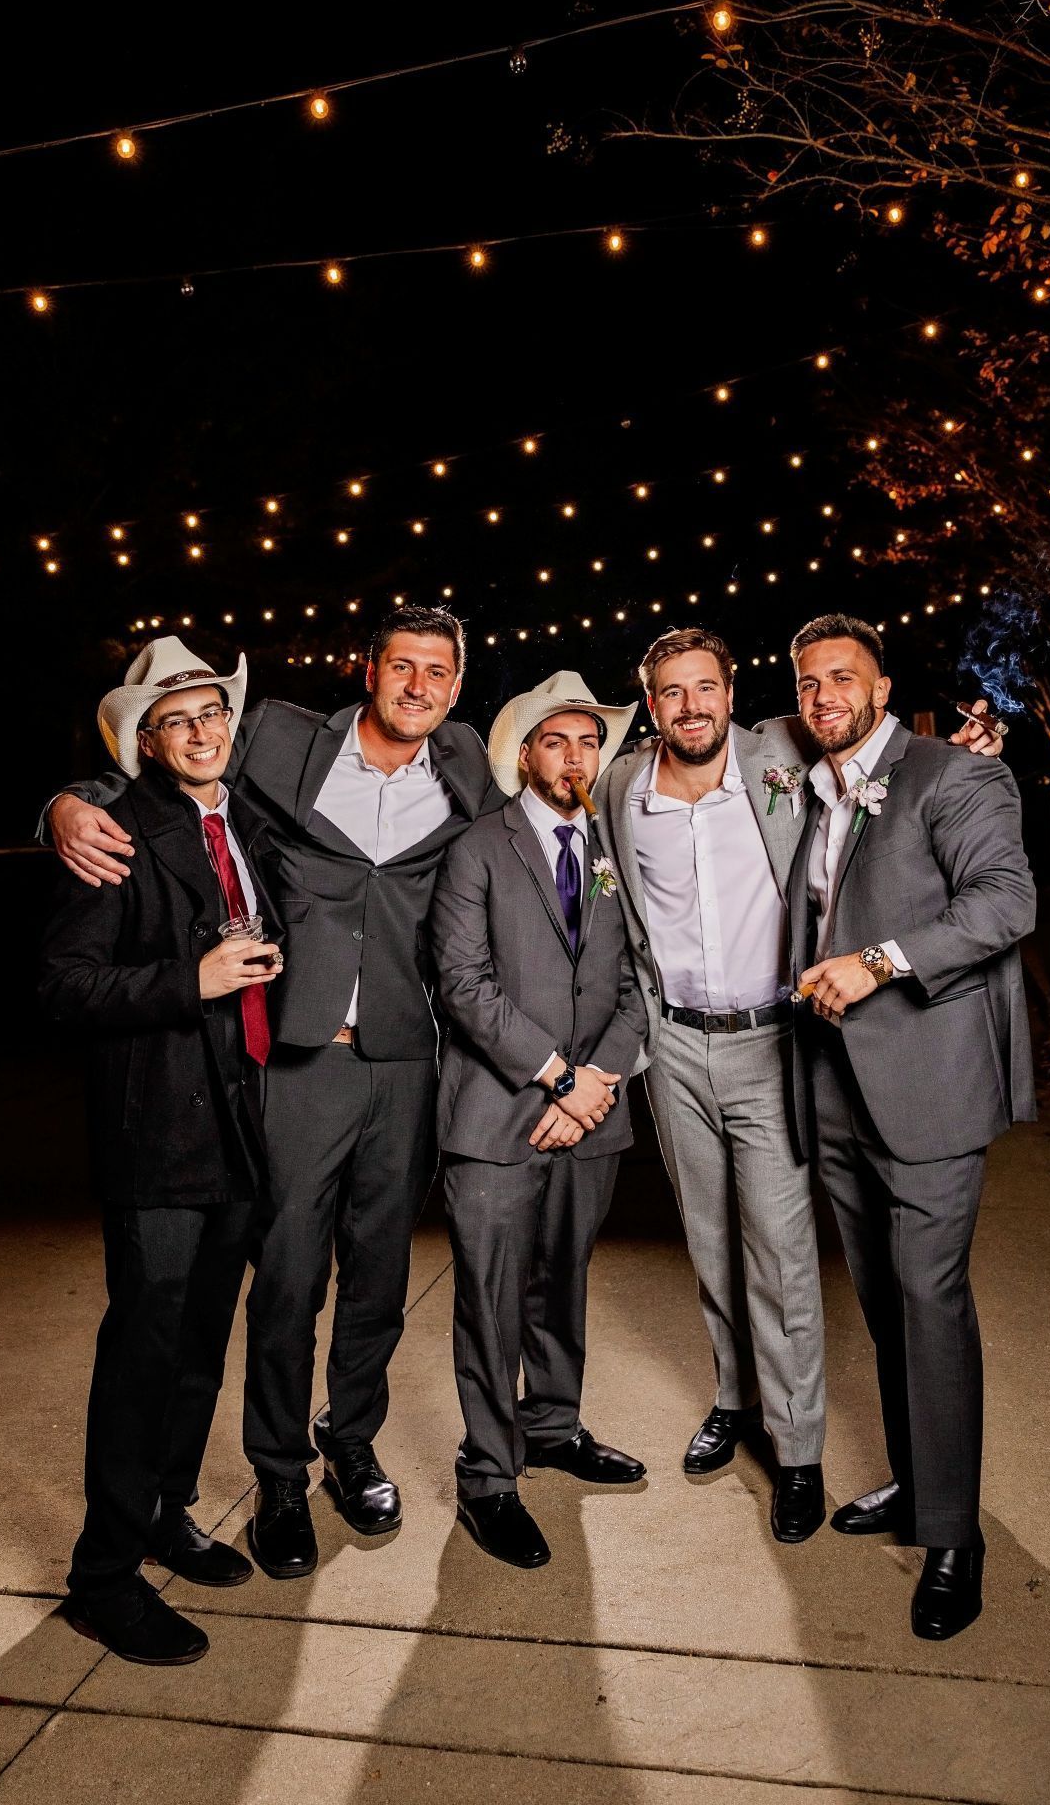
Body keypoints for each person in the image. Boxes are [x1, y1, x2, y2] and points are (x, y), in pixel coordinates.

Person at [45, 605, 502, 1578]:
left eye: (437, 670)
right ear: (365, 670)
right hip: (297, 1062)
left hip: (407, 1061)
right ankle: (279, 1477)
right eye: (399, 665)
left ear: (457, 687)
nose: (417, 685)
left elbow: (564, 794)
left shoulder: (468, 761)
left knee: (378, 1276)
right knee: (287, 1276)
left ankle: (352, 1439)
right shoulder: (280, 735)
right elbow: (154, 767)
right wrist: (62, 804)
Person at [598, 627, 1003, 1547]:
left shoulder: (782, 752)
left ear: (736, 693)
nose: (691, 705)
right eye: (671, 692)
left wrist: (963, 753)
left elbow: (878, 745)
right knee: (709, 1241)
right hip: (676, 1048)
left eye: (707, 686)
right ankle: (735, 1401)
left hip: (775, 1041)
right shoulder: (622, 787)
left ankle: (799, 1450)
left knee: (779, 1251)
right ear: (650, 702)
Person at [787, 612, 1035, 1641]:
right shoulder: (811, 783)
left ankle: (952, 1537)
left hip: (926, 1078)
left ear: (881, 687)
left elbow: (1004, 902)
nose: (822, 695)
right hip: (835, 1080)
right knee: (884, 1297)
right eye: (806, 683)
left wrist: (878, 958)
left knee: (929, 1299)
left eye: (841, 677)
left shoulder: (953, 775)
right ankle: (912, 1476)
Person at [39, 638, 283, 1665]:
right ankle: (101, 1576)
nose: (199, 730)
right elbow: (62, 983)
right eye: (174, 718)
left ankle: (166, 1511)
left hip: (240, 1124)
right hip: (159, 1135)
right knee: (143, 1353)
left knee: (198, 1348)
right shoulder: (113, 832)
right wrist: (193, 977)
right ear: (143, 738)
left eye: (209, 712)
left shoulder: (247, 818)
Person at [430, 672, 649, 1568]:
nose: (574, 757)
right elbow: (465, 987)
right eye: (556, 741)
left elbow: (642, 980)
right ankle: (489, 1476)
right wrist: (558, 1079)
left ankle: (553, 1426)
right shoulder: (477, 848)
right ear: (524, 755)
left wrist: (596, 1082)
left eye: (589, 741)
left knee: (565, 1278)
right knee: (490, 1298)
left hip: (592, 1109)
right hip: (495, 1117)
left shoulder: (615, 849)